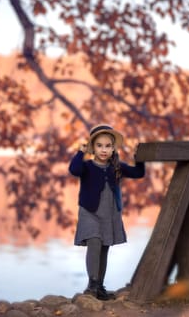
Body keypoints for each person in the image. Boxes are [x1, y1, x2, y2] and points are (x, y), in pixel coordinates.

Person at [68, 124, 145, 300]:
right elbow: (74, 169)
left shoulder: (117, 167)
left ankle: (99, 287)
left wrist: (139, 157)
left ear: (113, 148)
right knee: (94, 242)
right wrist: (81, 152)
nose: (104, 150)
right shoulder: (86, 166)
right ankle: (92, 285)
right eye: (99, 145)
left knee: (104, 248)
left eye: (108, 146)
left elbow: (138, 173)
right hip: (89, 212)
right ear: (92, 148)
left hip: (110, 214)